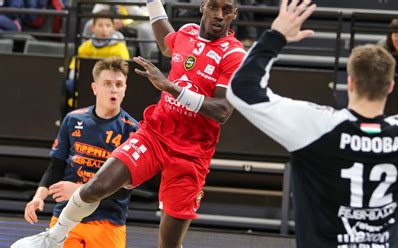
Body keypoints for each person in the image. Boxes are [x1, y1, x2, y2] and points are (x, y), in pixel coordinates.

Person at [227, 0, 398, 247]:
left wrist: (276, 35)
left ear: (351, 83)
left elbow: (242, 90)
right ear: (390, 86)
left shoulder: (316, 126)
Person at [11, 0, 246, 246]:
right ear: (203, 7)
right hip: (156, 134)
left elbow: (221, 111)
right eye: (214, 7)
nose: (219, 15)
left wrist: (170, 87)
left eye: (227, 10)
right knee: (96, 186)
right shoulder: (186, 33)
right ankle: (53, 239)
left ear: (234, 14)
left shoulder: (233, 53)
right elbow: (166, 42)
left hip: (192, 152)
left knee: (169, 244)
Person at [11, 57, 138, 248]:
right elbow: (56, 165)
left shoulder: (132, 130)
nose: (114, 89)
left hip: (108, 221)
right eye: (107, 84)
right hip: (66, 218)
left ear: (125, 89)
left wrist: (79, 191)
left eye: (119, 84)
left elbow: (123, 189)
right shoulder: (73, 119)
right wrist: (38, 197)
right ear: (95, 88)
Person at [82, 4, 159, 58]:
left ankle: (150, 60)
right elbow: (96, 11)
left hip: (136, 20)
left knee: (144, 30)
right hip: (113, 20)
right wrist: (111, 18)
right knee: (90, 24)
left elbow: (147, 14)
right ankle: (85, 50)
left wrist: (125, 19)